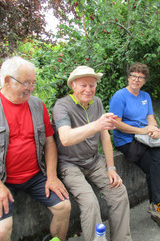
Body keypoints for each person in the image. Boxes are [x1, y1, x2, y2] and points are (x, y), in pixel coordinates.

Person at [0, 56, 71, 241]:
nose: (31, 88)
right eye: (26, 82)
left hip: (34, 176)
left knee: (64, 207)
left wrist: (51, 176)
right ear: (6, 81)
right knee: (1, 230)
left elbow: (50, 142)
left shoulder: (37, 105)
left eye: (33, 82)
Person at [52, 66, 132, 241]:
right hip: (69, 164)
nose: (88, 90)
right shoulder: (62, 106)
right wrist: (97, 125)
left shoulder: (97, 102)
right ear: (73, 85)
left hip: (94, 161)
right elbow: (65, 138)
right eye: (83, 85)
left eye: (92, 85)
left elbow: (104, 136)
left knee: (119, 192)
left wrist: (111, 167)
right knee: (90, 203)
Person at [109, 62, 160, 231]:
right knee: (157, 163)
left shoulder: (145, 96)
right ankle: (158, 208)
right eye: (133, 76)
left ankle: (158, 207)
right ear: (129, 77)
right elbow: (116, 124)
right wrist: (141, 130)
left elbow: (150, 117)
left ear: (145, 80)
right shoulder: (120, 96)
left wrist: (153, 129)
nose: (136, 79)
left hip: (145, 138)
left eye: (140, 77)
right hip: (127, 140)